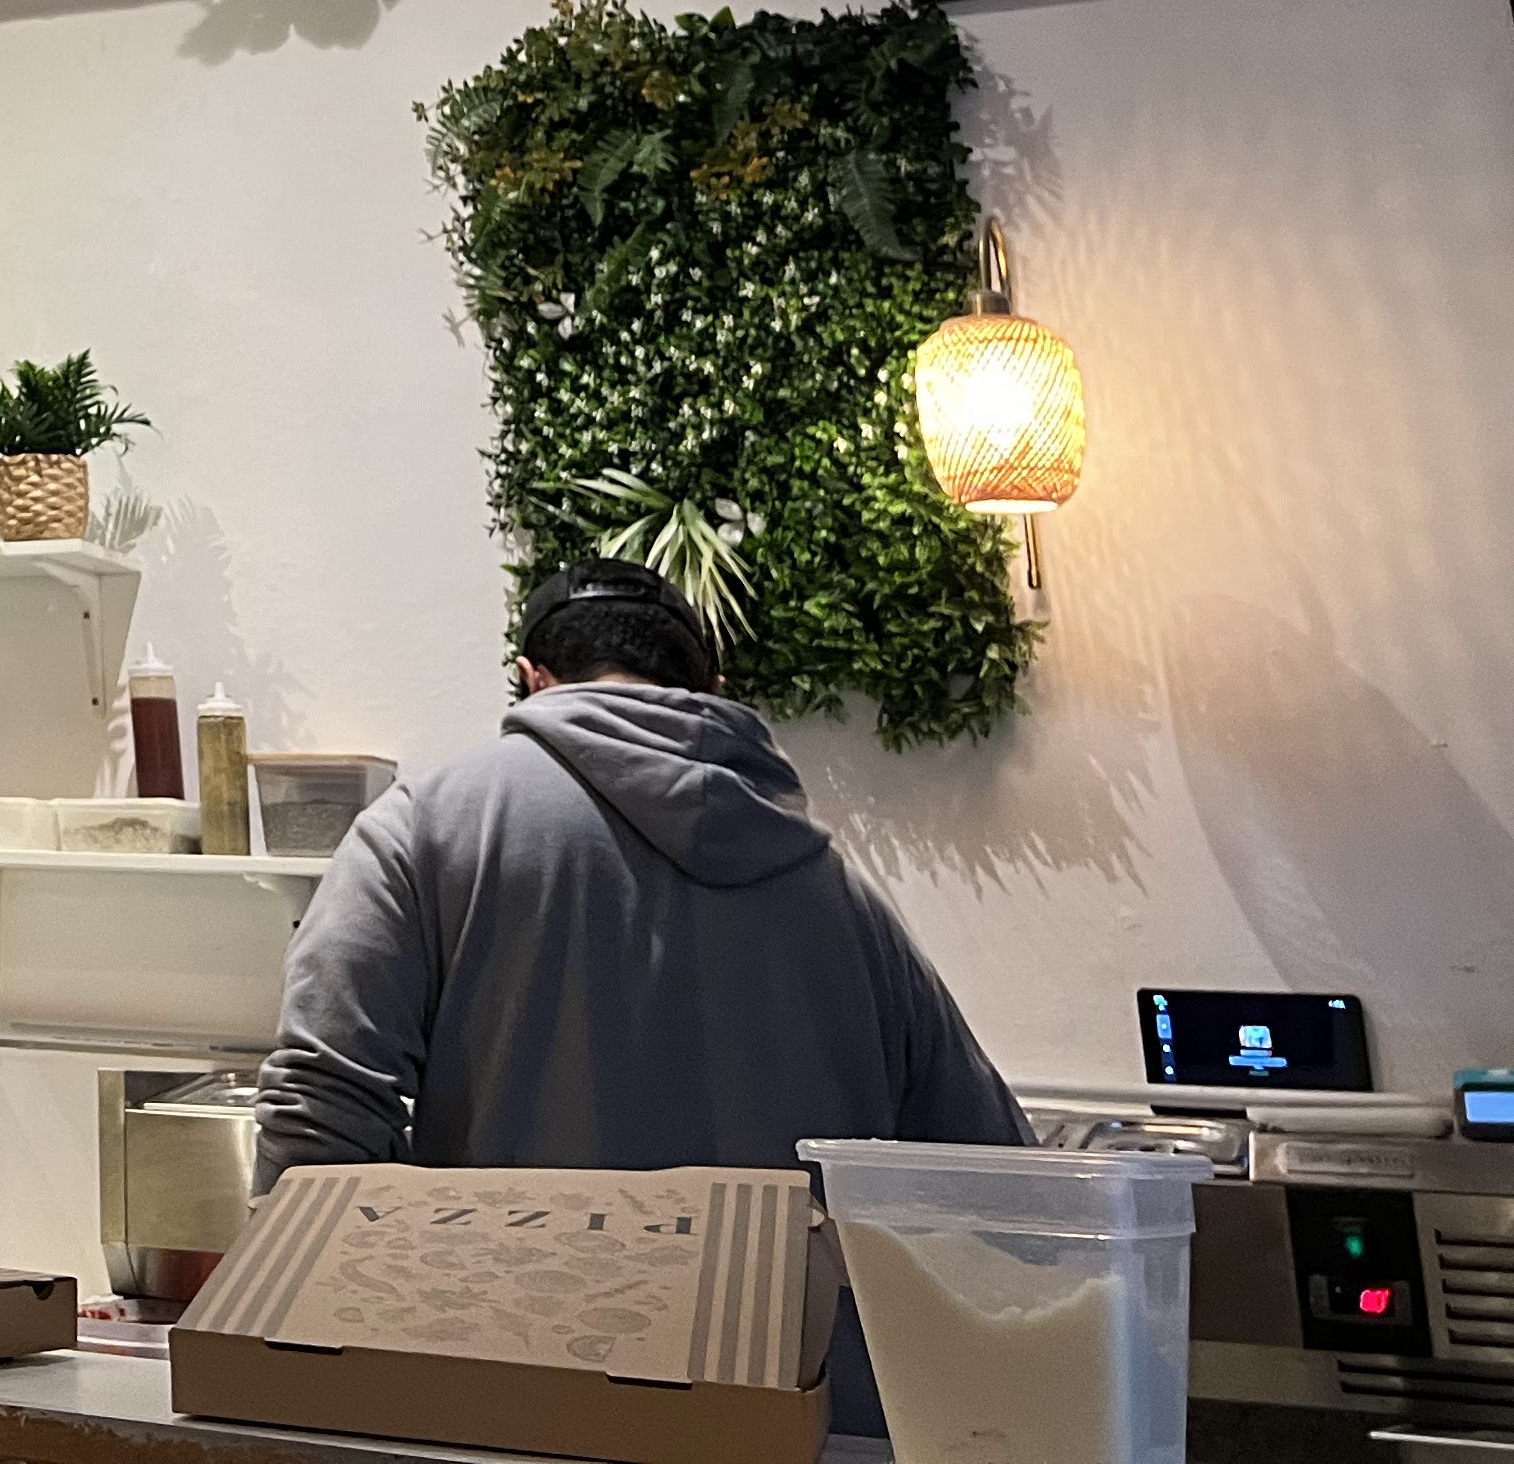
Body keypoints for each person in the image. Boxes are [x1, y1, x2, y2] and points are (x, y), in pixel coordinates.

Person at [249, 558, 1022, 1431]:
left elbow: (320, 1118)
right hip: (792, 1423)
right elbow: (996, 1177)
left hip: (513, 1413)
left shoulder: (419, 829)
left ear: (532, 679)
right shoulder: (839, 894)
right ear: (712, 691)